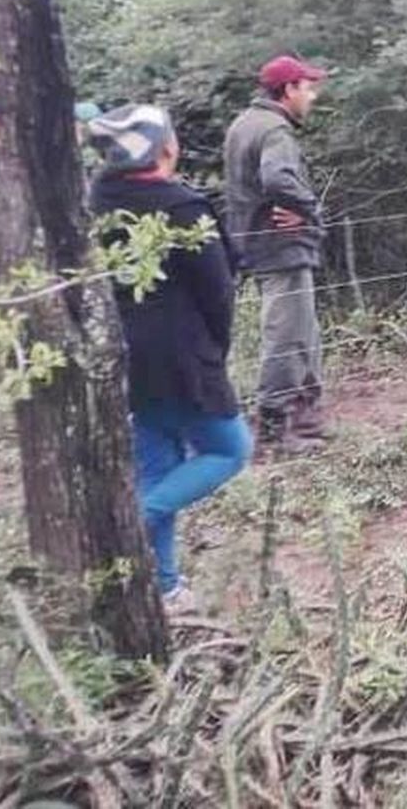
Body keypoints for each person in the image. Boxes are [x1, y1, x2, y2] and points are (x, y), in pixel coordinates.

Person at [88, 104, 252, 612]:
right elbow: (218, 292)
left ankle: (164, 587)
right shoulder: (181, 207)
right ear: (164, 147)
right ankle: (129, 525)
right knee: (231, 449)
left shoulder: (100, 200)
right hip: (182, 356)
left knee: (158, 467)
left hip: (124, 354)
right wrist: (214, 355)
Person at [223, 55, 328, 452]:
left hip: (254, 241)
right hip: (280, 246)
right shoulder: (275, 130)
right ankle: (274, 428)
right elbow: (277, 178)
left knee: (305, 332)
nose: (312, 95)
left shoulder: (244, 124)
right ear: (288, 90)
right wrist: (309, 210)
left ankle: (306, 418)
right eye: (307, 87)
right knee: (287, 334)